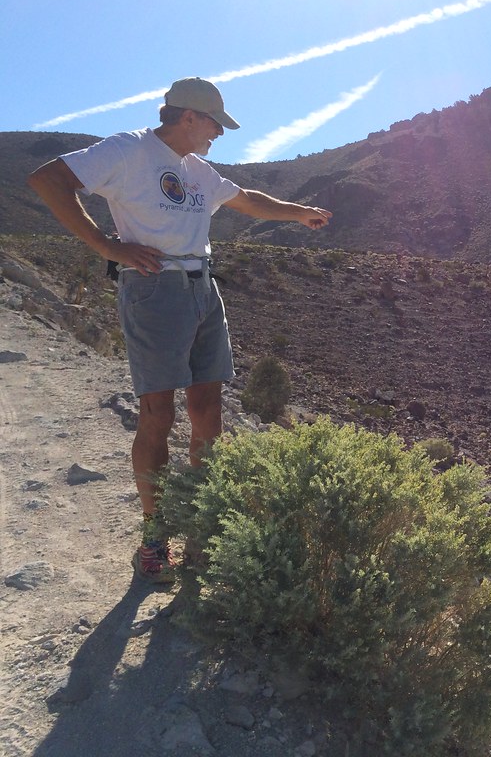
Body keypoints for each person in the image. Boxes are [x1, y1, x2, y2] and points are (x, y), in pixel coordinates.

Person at [28, 76, 332, 583]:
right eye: (215, 123)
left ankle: (201, 528)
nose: (219, 132)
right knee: (158, 413)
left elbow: (248, 199)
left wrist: (298, 213)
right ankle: (154, 538)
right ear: (188, 116)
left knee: (208, 407)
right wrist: (107, 246)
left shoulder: (197, 170)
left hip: (201, 287)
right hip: (154, 288)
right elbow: (47, 179)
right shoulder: (129, 150)